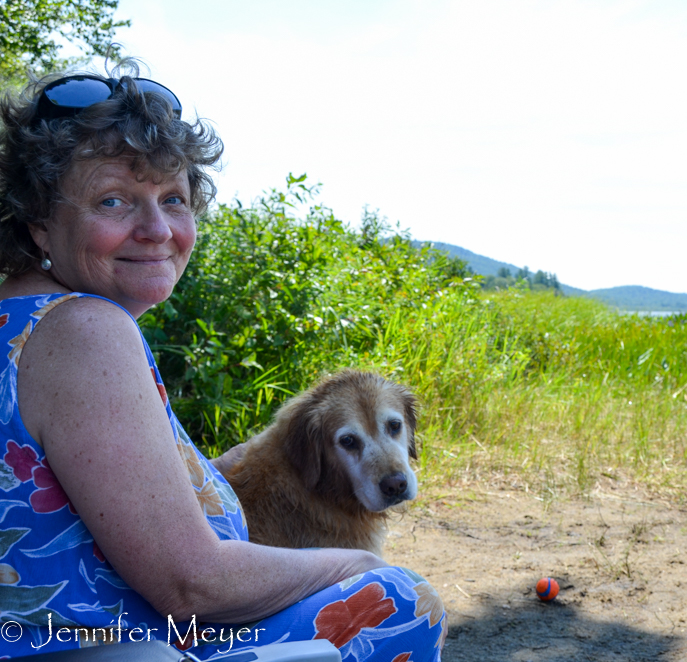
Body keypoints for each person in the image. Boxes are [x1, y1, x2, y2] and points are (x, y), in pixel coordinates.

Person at [0, 63, 446, 660]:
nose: (157, 229)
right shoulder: (82, 330)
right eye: (114, 200)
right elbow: (191, 586)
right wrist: (358, 560)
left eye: (173, 199)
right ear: (39, 224)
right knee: (397, 597)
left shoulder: (19, 319)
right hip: (106, 648)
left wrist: (213, 471)